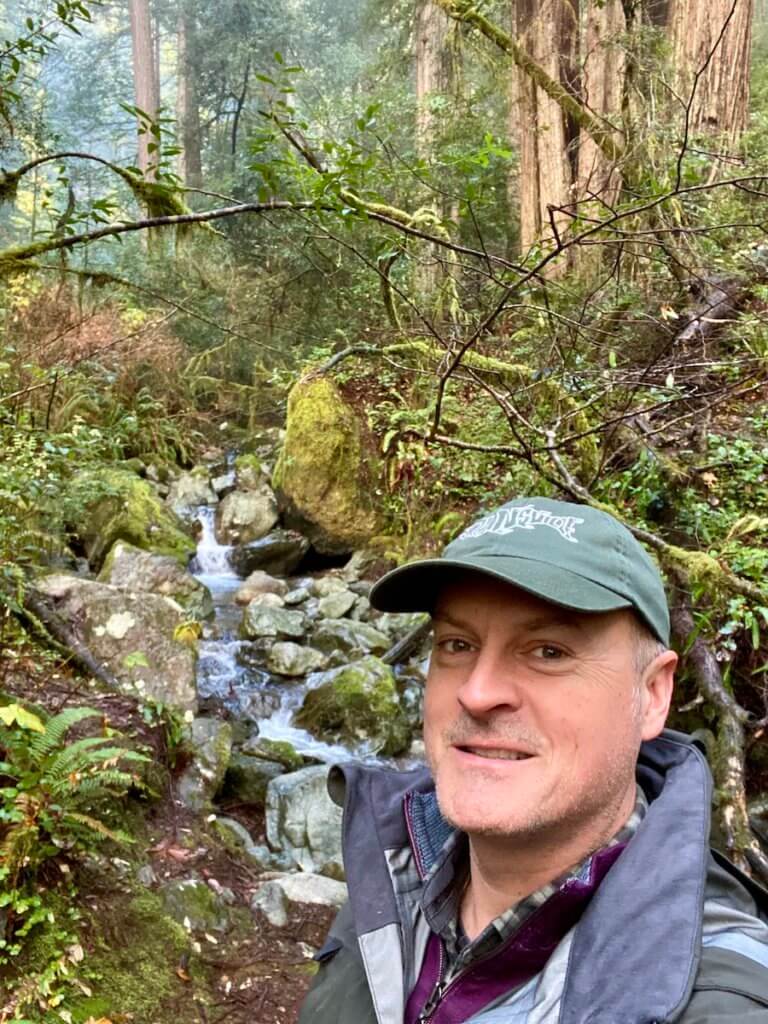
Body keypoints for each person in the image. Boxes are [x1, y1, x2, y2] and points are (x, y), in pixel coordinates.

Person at [298, 497, 768, 1024]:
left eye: (548, 651)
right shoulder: (393, 863)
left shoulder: (719, 997)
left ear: (653, 694)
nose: (477, 693)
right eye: (457, 644)